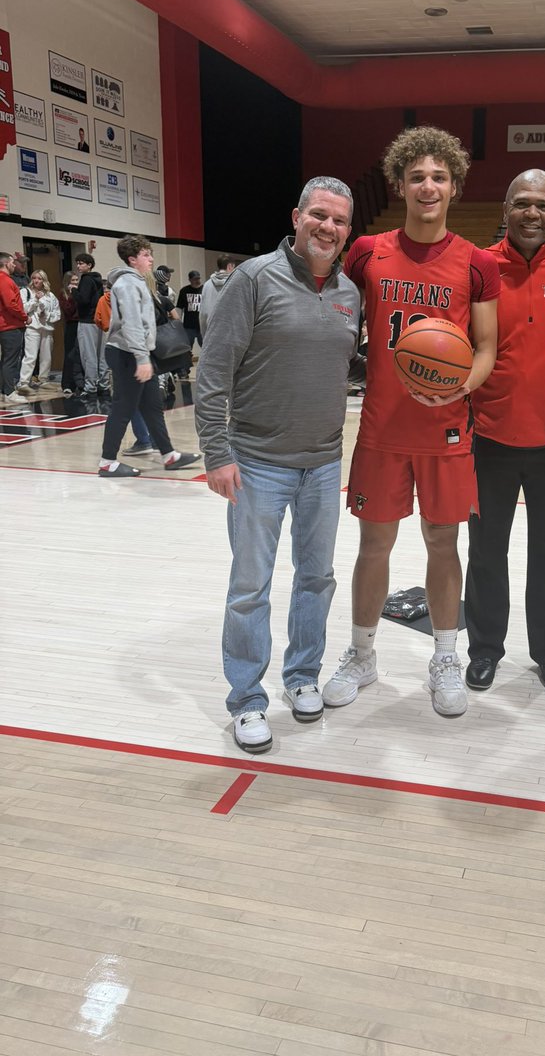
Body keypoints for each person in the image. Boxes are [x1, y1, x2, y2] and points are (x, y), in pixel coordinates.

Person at [322, 126, 499, 719]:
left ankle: (445, 657)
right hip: (381, 427)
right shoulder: (367, 250)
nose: (429, 186)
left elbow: (486, 349)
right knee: (374, 544)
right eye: (418, 176)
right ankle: (362, 654)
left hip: (447, 429)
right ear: (399, 184)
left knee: (443, 542)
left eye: (440, 177)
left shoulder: (476, 263)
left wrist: (455, 385)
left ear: (455, 186)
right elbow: (336, 318)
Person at [195, 177, 362, 754]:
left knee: (316, 578)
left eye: (339, 220)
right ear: (296, 217)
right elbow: (212, 373)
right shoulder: (253, 279)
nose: (328, 227)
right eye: (319, 215)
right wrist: (217, 454)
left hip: (322, 463)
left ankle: (301, 677)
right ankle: (246, 701)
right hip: (258, 461)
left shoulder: (348, 293)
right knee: (250, 586)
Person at [465, 170, 545, 695]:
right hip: (488, 441)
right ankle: (484, 649)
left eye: (542, 205)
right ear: (505, 208)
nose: (532, 213)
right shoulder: (477, 266)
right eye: (522, 203)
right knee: (485, 552)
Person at [98, 235, 200, 478]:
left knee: (153, 406)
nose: (151, 258)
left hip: (134, 352)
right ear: (132, 259)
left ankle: (168, 455)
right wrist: (142, 359)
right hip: (127, 354)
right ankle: (107, 462)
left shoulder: (138, 282)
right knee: (123, 407)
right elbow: (133, 324)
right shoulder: (128, 284)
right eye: (146, 254)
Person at [72, 253, 109, 396]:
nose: (78, 266)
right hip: (97, 321)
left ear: (89, 265)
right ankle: (104, 384)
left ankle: (90, 386)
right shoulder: (97, 279)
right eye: (78, 263)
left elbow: (83, 300)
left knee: (89, 355)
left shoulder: (86, 280)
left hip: (87, 321)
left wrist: (74, 290)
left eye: (81, 263)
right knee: (101, 355)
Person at [18, 270, 60, 389]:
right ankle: (24, 381)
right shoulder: (25, 292)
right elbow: (23, 309)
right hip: (32, 327)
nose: (36, 280)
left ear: (44, 280)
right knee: (30, 356)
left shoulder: (50, 295)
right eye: (34, 278)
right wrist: (35, 300)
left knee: (46, 356)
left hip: (47, 328)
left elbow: (57, 314)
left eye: (39, 278)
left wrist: (46, 315)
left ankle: (43, 379)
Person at [0, 252, 29, 403]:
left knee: (5, 359)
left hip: (6, 325)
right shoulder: (5, 280)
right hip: (10, 326)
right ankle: (10, 392)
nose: (14, 265)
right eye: (12, 262)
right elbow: (11, 304)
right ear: (5, 264)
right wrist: (25, 317)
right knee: (10, 360)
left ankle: (4, 390)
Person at [59, 271, 85, 397]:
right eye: (73, 281)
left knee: (81, 354)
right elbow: (69, 310)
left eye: (76, 280)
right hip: (71, 325)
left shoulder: (79, 293)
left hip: (81, 324)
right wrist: (72, 295)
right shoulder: (64, 294)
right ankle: (67, 384)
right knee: (70, 354)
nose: (75, 283)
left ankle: (80, 383)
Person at [200, 255, 237, 337]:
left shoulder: (207, 285)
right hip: (231, 333)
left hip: (211, 332)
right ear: (230, 266)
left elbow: (203, 313)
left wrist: (204, 335)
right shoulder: (236, 283)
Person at [175, 270, 204, 370]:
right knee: (187, 349)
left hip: (202, 326)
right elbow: (179, 308)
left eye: (198, 278)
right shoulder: (184, 291)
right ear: (190, 280)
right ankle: (185, 369)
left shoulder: (205, 289)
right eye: (195, 279)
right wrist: (178, 323)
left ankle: (206, 367)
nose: (197, 281)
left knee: (205, 347)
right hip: (188, 326)